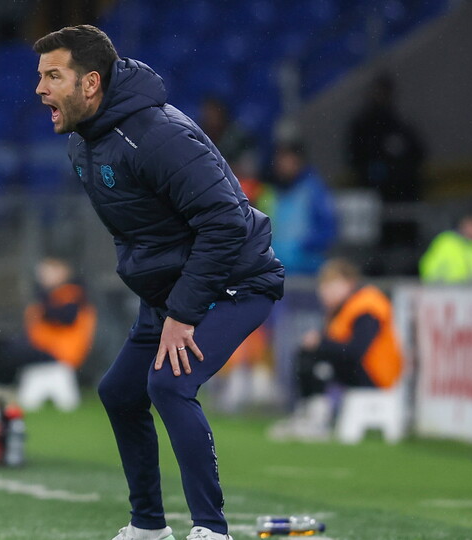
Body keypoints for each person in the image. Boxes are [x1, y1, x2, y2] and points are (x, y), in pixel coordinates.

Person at [34, 25, 284, 540]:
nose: (40, 88)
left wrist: (184, 314)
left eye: (53, 75)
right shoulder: (85, 145)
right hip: (173, 293)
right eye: (40, 76)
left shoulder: (158, 135)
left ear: (90, 84)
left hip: (236, 282)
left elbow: (224, 224)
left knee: (169, 385)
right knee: (120, 392)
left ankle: (211, 531)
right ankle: (149, 528)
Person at [269, 258, 404, 441]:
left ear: (348, 283)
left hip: (376, 374)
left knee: (317, 358)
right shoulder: (343, 309)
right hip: (362, 368)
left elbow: (357, 350)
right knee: (308, 354)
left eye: (331, 286)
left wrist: (322, 343)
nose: (325, 293)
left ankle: (317, 420)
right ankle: (308, 413)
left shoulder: (367, 305)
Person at [13, 257, 96, 411]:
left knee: (14, 351)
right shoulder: (47, 296)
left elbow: (65, 316)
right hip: (44, 348)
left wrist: (44, 300)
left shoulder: (70, 293)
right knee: (12, 348)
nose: (44, 277)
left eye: (49, 272)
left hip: (61, 351)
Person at [346, 74, 425, 203]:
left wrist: (399, 171)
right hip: (374, 193)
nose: (381, 97)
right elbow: (355, 158)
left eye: (384, 93)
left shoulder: (399, 125)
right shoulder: (362, 127)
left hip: (403, 193)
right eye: (378, 93)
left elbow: (418, 153)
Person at [268, 140, 338, 276]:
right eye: (279, 160)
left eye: (287, 160)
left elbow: (328, 230)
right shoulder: (271, 190)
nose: (282, 165)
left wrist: (302, 247)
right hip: (278, 271)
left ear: (299, 161)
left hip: (308, 272)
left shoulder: (315, 190)